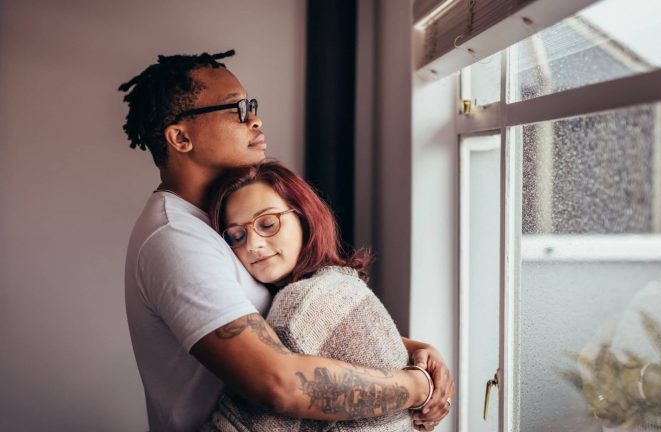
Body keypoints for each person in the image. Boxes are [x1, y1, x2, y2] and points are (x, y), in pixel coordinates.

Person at [119, 50, 454, 432]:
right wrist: (416, 387)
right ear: (180, 137)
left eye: (252, 106)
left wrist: (413, 351)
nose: (255, 119)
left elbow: (291, 328)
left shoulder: (215, 221)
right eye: (236, 109)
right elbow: (279, 383)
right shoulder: (177, 239)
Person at [200, 160, 427, 431]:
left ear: (304, 216)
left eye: (268, 223)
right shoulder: (341, 286)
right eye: (237, 236)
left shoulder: (301, 302)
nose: (253, 244)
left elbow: (238, 427)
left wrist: (419, 384)